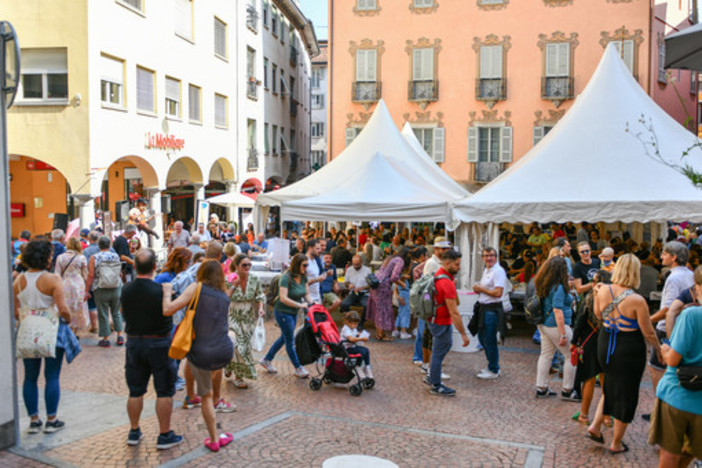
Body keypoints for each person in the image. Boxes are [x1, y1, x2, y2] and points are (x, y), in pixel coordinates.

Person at [587, 254, 662, 454]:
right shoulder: (637, 300)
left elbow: (598, 314)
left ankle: (595, 425)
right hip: (627, 348)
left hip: (605, 342)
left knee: (610, 385)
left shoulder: (602, 289)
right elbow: (648, 332)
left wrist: (597, 295)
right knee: (626, 394)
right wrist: (659, 349)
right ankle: (616, 443)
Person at [163, 260, 234, 452]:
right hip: (224, 350)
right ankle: (197, 398)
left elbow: (168, 309)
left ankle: (213, 439)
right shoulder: (223, 295)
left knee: (207, 397)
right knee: (207, 379)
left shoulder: (197, 287)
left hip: (203, 352)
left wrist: (167, 292)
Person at [121, 249, 182, 449]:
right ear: (155, 266)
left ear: (135, 266)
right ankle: (164, 434)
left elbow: (122, 312)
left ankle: (134, 430)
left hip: (134, 342)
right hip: (159, 342)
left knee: (135, 390)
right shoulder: (161, 290)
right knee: (164, 391)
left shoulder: (126, 289)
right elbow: (170, 311)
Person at [14, 239, 75, 433]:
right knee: (52, 376)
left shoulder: (19, 280)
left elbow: (16, 311)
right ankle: (51, 420)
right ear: (46, 258)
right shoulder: (52, 279)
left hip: (28, 331)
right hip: (51, 330)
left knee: (30, 377)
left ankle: (33, 420)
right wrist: (68, 318)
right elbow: (63, 309)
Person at [642, 241, 694, 422]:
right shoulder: (691, 273)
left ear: (674, 257)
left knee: (658, 369)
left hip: (667, 330)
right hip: (685, 328)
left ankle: (660, 410)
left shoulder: (673, 278)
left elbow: (667, 310)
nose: (661, 256)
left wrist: (646, 320)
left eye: (664, 254)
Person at [648, 306, 702, 467]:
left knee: (669, 453)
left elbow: (672, 359)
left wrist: (664, 350)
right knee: (693, 449)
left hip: (677, 393)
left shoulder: (692, 314)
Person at [260, 253, 312, 378]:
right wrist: (300, 305)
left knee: (285, 337)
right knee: (290, 340)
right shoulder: (285, 277)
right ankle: (298, 367)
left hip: (293, 312)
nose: (306, 268)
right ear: (297, 265)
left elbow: (306, 294)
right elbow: (283, 298)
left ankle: (267, 360)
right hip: (283, 312)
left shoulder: (303, 277)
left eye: (307, 265)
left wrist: (312, 303)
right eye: (304, 265)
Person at [425, 250, 469, 396]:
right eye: (457, 264)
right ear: (447, 263)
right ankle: (436, 385)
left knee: (442, 347)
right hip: (441, 322)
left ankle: (433, 375)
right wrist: (463, 334)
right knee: (439, 352)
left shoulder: (438, 275)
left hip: (433, 319)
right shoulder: (446, 283)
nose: (459, 267)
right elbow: (454, 312)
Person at [533, 256, 578, 399]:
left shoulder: (544, 282)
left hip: (544, 324)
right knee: (571, 355)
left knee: (546, 355)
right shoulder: (558, 287)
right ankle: (567, 390)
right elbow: (557, 310)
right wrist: (563, 333)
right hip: (556, 325)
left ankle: (541, 387)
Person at [571, 270, 612, 425]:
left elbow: (579, 323)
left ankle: (584, 414)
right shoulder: (613, 301)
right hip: (606, 342)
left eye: (594, 281)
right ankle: (607, 417)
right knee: (605, 381)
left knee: (588, 379)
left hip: (589, 343)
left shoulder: (589, 299)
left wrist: (574, 342)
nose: (592, 284)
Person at [224, 254, 265, 388]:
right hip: (233, 314)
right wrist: (234, 286)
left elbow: (260, 295)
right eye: (244, 265)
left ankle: (235, 371)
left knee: (245, 347)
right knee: (235, 344)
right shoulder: (228, 279)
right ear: (236, 266)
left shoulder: (254, 279)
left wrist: (260, 308)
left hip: (248, 316)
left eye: (249, 265)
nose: (247, 267)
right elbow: (224, 297)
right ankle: (236, 373)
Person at [472, 246, 507, 380]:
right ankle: (491, 365)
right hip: (483, 308)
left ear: (496, 257)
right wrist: (479, 289)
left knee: (489, 340)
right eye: (486, 256)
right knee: (482, 339)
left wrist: (481, 289)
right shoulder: (486, 270)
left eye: (491, 255)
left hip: (492, 310)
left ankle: (494, 369)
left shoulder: (498, 271)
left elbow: (498, 293)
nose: (489, 258)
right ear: (482, 258)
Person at [86, 235, 125, 348]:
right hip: (115, 286)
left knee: (103, 313)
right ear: (109, 245)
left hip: (100, 288)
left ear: (99, 245)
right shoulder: (115, 256)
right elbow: (119, 273)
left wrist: (87, 289)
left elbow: (91, 275)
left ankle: (106, 338)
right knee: (116, 312)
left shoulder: (94, 257)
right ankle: (120, 336)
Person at [367, 248, 410, 341]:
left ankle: (379, 334)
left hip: (376, 284)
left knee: (378, 309)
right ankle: (381, 334)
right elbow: (394, 277)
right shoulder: (400, 261)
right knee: (383, 310)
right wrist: (403, 284)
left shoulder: (391, 258)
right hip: (383, 286)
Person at [55, 237, 89, 336]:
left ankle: (67, 328)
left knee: (67, 305)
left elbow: (57, 274)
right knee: (78, 307)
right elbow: (85, 274)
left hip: (65, 283)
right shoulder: (81, 258)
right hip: (78, 284)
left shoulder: (60, 257)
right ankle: (75, 331)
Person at [339, 311, 373, 379]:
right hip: (346, 349)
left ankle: (367, 366)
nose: (355, 325)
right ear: (348, 322)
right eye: (354, 324)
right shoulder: (346, 329)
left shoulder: (353, 328)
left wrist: (360, 335)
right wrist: (361, 339)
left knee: (366, 350)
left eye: (357, 324)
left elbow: (355, 334)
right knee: (362, 352)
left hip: (352, 346)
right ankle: (358, 366)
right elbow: (351, 339)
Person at [340, 255, 371, 327]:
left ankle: (361, 322)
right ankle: (350, 319)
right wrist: (349, 285)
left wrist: (363, 287)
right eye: (354, 264)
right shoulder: (349, 269)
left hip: (364, 293)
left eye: (358, 264)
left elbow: (371, 284)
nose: (356, 266)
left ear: (361, 262)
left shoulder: (367, 270)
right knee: (344, 304)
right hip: (353, 292)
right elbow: (346, 282)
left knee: (367, 305)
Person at [392, 262, 412, 340]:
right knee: (405, 313)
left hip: (400, 293)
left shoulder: (398, 276)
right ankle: (403, 331)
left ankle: (396, 329)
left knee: (400, 312)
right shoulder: (403, 277)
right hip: (404, 294)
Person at [305, 239, 327, 305]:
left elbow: (315, 276)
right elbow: (301, 283)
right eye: (317, 248)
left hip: (317, 297)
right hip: (308, 299)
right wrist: (317, 279)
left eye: (320, 248)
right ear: (310, 248)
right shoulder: (304, 262)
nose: (320, 250)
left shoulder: (315, 260)